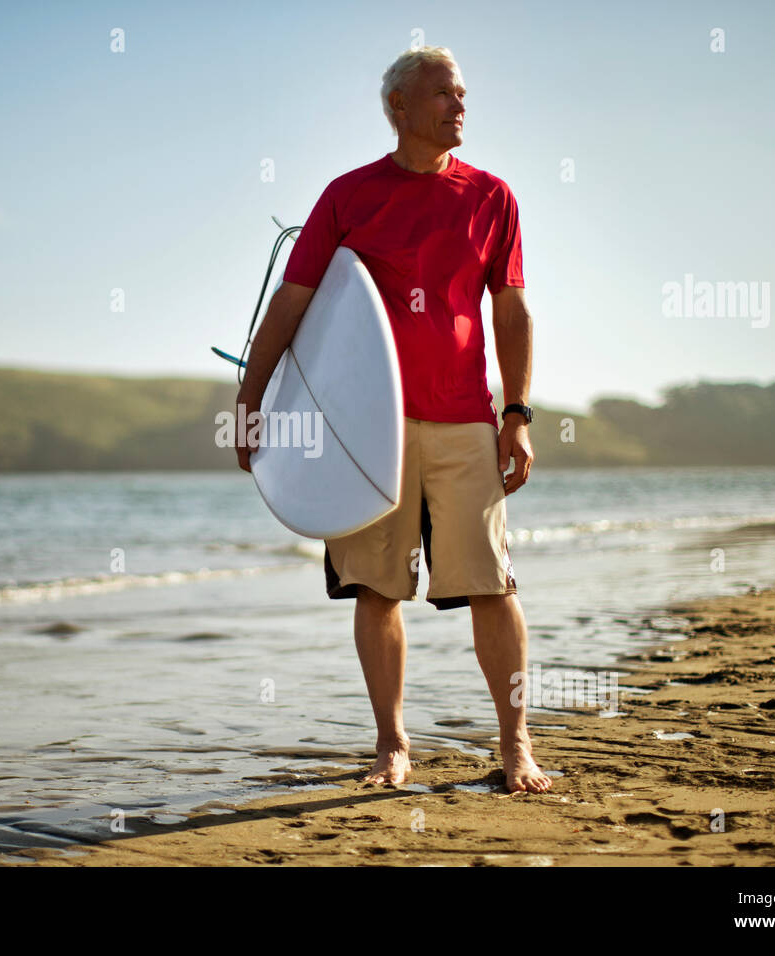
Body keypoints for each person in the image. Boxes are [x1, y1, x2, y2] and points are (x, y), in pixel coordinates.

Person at [235, 46, 550, 794]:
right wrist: (251, 400)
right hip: (365, 432)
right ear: (399, 107)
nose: (460, 105)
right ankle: (392, 744)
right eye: (444, 94)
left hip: (465, 421)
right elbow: (295, 301)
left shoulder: (491, 197)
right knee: (378, 589)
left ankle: (516, 746)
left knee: (493, 585)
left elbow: (510, 308)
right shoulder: (349, 197)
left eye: (464, 93)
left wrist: (518, 413)